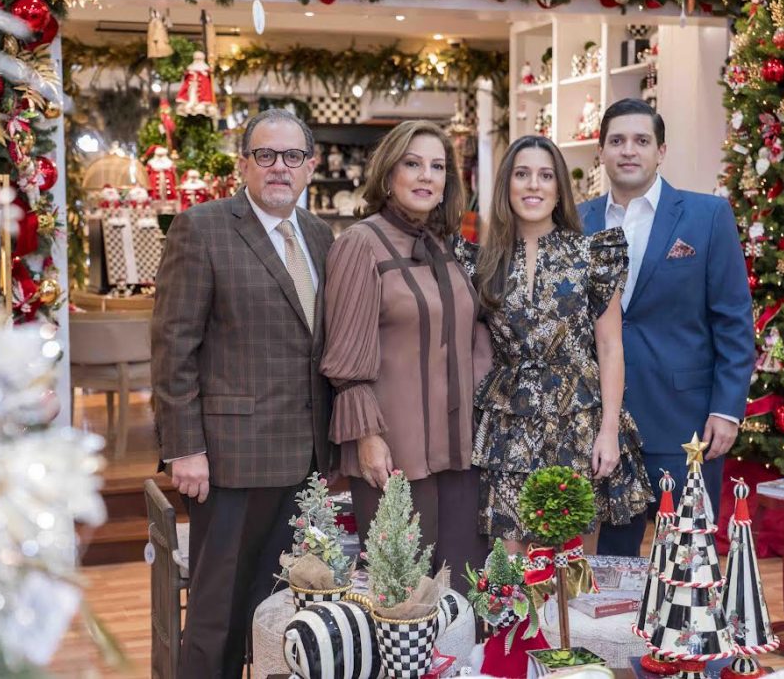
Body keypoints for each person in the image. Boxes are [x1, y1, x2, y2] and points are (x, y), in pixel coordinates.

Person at [151, 108, 335, 678]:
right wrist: (185, 448)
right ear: (244, 164)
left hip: (305, 458)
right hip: (230, 460)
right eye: (266, 155)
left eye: (292, 157)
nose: (279, 167)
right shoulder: (201, 227)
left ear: (311, 166)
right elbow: (173, 345)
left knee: (279, 610)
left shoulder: (321, 236)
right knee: (217, 614)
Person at [454, 135, 653, 554]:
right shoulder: (481, 262)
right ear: (507, 184)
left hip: (578, 423)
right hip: (508, 425)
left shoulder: (591, 255)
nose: (533, 185)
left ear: (559, 188)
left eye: (545, 176)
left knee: (570, 571)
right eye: (522, 174)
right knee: (508, 570)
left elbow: (611, 347)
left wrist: (610, 431)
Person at [577, 98, 755, 556]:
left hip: (686, 422)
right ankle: (619, 634)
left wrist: (727, 409)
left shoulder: (706, 216)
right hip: (603, 427)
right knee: (612, 561)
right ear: (601, 152)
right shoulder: (577, 222)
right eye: (616, 141)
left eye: (641, 141)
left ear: (662, 151)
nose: (628, 151)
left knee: (689, 559)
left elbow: (734, 322)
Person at [320, 120, 488, 593]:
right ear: (388, 172)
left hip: (459, 448)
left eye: (437, 167)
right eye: (412, 164)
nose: (425, 176)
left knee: (462, 588)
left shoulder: (445, 245)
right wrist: (367, 437)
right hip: (395, 447)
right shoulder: (360, 243)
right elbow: (346, 358)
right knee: (402, 596)